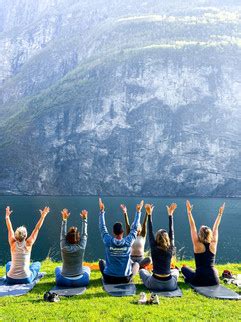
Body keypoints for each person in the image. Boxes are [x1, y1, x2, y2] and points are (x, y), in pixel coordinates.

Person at [98, 198, 143, 284]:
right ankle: (130, 278)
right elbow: (134, 229)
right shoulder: (128, 241)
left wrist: (102, 211)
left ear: (113, 232)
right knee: (136, 265)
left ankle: (106, 276)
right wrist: (138, 212)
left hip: (109, 278)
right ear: (122, 232)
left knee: (101, 262)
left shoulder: (108, 240)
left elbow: (102, 227)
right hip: (125, 278)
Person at [181, 200, 225, 286]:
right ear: (210, 234)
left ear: (200, 234)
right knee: (212, 270)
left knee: (184, 269)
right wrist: (220, 214)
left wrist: (189, 212)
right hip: (214, 280)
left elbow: (192, 227)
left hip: (200, 279)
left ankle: (190, 279)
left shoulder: (197, 245)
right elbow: (216, 228)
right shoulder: (213, 244)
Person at [5, 206, 50, 284]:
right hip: (26, 278)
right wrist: (43, 216)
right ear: (25, 236)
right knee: (37, 264)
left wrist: (7, 216)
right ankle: (26, 270)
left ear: (15, 236)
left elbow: (10, 229)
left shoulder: (12, 242)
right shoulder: (28, 243)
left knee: (9, 263)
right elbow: (37, 228)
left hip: (10, 279)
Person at [139, 203, 179, 291]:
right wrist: (170, 215)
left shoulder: (154, 247)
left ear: (157, 238)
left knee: (142, 271)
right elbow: (171, 232)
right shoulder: (170, 248)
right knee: (175, 271)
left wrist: (149, 215)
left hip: (154, 283)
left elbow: (150, 231)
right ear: (167, 239)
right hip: (170, 285)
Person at [55, 208, 90, 287]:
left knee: (57, 268)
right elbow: (85, 234)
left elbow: (62, 234)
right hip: (81, 281)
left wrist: (64, 219)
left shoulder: (63, 247)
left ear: (67, 238)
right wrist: (84, 219)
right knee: (87, 268)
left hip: (63, 281)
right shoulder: (81, 246)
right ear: (78, 238)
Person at [120, 203, 151, 269]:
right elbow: (127, 224)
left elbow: (145, 223)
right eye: (134, 226)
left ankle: (135, 266)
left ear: (140, 227)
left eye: (138, 226)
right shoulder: (130, 235)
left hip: (141, 258)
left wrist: (147, 213)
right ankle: (138, 266)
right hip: (131, 258)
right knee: (124, 258)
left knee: (149, 259)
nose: (136, 227)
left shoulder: (143, 235)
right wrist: (125, 213)